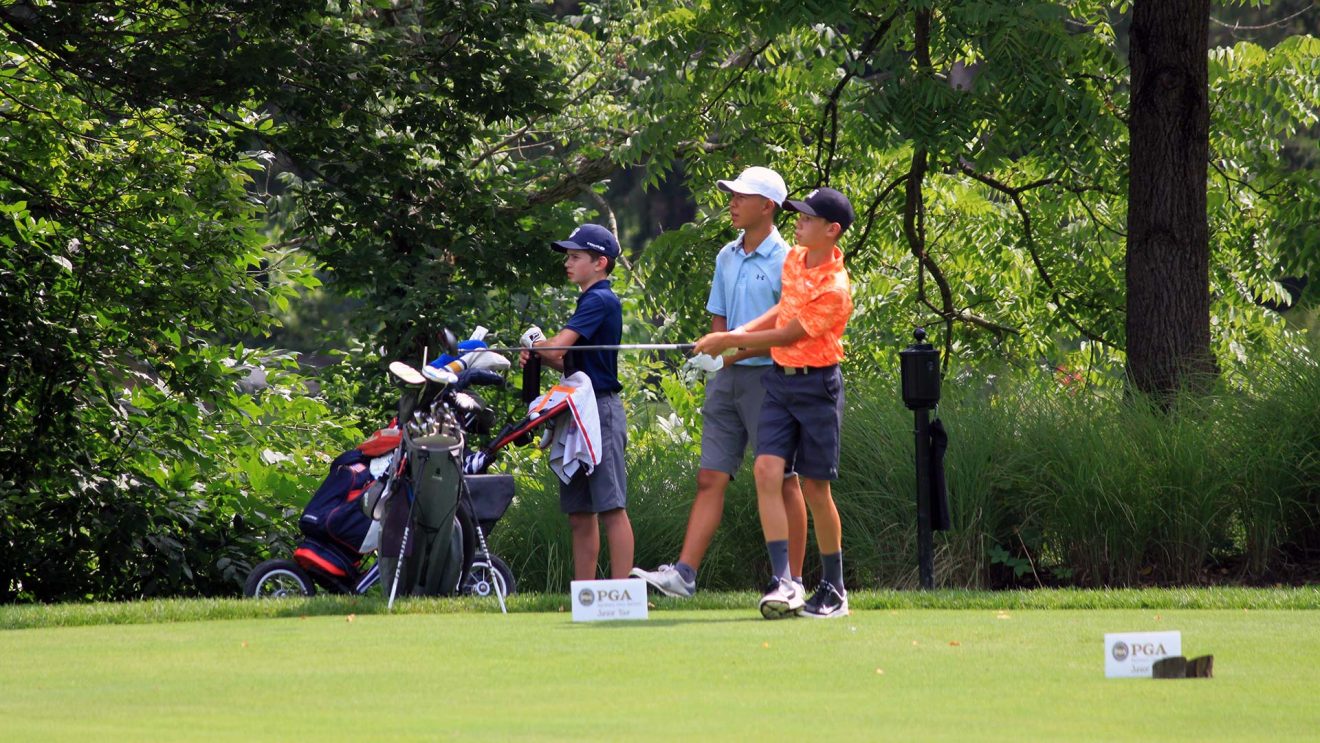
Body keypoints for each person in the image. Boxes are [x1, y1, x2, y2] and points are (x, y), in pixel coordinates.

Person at [630, 167, 808, 598]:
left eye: (741, 196)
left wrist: (732, 350)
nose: (732, 201)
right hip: (726, 381)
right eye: (730, 194)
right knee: (710, 477)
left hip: (771, 381)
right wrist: (717, 355)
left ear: (767, 206)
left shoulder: (790, 259)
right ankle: (685, 575)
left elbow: (787, 329)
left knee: (784, 479)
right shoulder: (726, 255)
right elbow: (720, 319)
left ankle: (793, 581)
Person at [693, 186, 855, 619]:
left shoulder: (836, 289)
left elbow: (789, 334)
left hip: (817, 387)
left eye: (806, 217)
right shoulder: (795, 260)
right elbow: (783, 311)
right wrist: (735, 342)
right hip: (780, 384)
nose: (797, 221)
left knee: (816, 489)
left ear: (831, 230)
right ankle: (785, 581)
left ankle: (835, 588)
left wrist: (730, 338)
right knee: (766, 470)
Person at [519, 223, 634, 581]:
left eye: (575, 256)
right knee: (580, 512)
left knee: (611, 506)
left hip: (599, 409)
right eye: (567, 256)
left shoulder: (599, 298)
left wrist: (538, 348)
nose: (568, 263)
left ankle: (621, 593)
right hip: (578, 407)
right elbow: (564, 358)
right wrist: (538, 356)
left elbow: (556, 348)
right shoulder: (588, 299)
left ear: (600, 262)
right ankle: (583, 593)